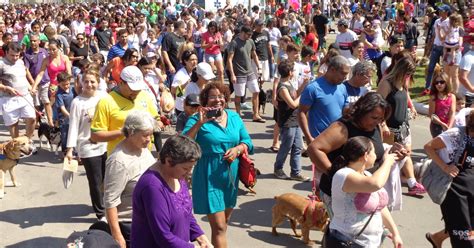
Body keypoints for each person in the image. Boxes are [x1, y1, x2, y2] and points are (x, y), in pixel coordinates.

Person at [183, 83, 253, 247]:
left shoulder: (234, 117)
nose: (217, 100)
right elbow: (183, 142)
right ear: (206, 99)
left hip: (230, 177)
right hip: (208, 176)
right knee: (220, 226)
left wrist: (238, 149)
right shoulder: (196, 119)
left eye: (221, 96)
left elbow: (247, 142)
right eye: (213, 96)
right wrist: (199, 124)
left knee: (223, 224)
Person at [131, 135, 212, 247]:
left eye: (192, 167)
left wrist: (202, 238)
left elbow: (185, 212)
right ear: (169, 161)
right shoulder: (152, 187)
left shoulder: (177, 175)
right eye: (186, 168)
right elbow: (163, 237)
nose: (189, 172)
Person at [328, 136, 403, 248]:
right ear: (366, 155)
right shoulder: (343, 175)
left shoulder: (367, 175)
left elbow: (380, 207)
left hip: (370, 242)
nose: (376, 156)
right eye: (374, 152)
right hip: (347, 241)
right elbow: (376, 184)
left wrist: (395, 233)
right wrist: (387, 162)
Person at [97, 110, 157, 248]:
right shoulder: (119, 161)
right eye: (145, 135)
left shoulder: (143, 149)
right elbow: (110, 200)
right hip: (129, 225)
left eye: (150, 135)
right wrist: (117, 235)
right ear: (130, 133)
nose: (149, 139)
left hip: (147, 221)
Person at [377, 57, 427, 195]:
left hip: (403, 127)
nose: (408, 76)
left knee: (406, 154)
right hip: (390, 128)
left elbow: (406, 97)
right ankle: (390, 185)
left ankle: (411, 183)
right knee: (392, 158)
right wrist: (383, 124)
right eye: (407, 73)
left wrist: (411, 108)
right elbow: (377, 105)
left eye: (410, 74)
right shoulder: (386, 83)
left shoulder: (403, 83)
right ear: (400, 69)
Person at [424, 111, 474, 248]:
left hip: (471, 185)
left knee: (469, 227)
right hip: (453, 187)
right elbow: (428, 147)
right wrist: (445, 167)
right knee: (464, 232)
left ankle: (436, 238)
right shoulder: (456, 134)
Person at [90, 65, 162, 155]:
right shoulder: (106, 102)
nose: (136, 92)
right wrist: (123, 132)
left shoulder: (144, 96)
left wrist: (156, 125)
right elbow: (95, 136)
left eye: (138, 89)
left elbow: (157, 120)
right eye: (133, 89)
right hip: (119, 158)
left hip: (144, 156)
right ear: (121, 83)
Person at [66, 69, 107, 221]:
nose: (89, 85)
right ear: (81, 83)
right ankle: (101, 213)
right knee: (95, 181)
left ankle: (107, 204)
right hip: (88, 147)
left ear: (98, 82)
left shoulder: (104, 97)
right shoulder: (77, 102)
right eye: (86, 81)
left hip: (106, 144)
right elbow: (74, 126)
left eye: (92, 81)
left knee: (108, 179)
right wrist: (70, 149)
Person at [298, 55, 350, 143]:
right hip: (319, 142)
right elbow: (301, 113)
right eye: (343, 73)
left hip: (338, 139)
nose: (345, 77)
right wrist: (308, 137)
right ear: (332, 69)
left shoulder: (342, 87)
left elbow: (345, 111)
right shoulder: (313, 88)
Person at [273, 59, 310, 181]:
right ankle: (278, 168)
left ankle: (296, 172)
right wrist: (303, 97)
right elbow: (293, 104)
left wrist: (303, 85)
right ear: (289, 72)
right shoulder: (282, 88)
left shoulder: (290, 84)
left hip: (295, 121)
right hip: (287, 122)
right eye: (293, 70)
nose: (294, 72)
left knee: (298, 147)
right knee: (286, 146)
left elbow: (295, 95)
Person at [227, 25, 264, 122]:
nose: (250, 36)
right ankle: (238, 115)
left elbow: (254, 55)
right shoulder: (234, 43)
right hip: (239, 73)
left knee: (256, 91)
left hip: (250, 71)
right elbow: (229, 59)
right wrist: (232, 74)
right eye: (248, 34)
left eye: (251, 34)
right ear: (242, 32)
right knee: (239, 95)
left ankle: (256, 114)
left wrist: (259, 67)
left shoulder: (250, 41)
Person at [0, 42, 36, 141]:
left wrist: (31, 87)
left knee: (32, 118)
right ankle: (17, 145)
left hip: (25, 96)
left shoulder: (20, 62)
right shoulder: (1, 64)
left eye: (17, 55)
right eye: (12, 55)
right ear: (6, 52)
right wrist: (6, 88)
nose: (15, 58)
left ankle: (27, 141)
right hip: (8, 99)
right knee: (13, 123)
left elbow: (23, 77)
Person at [32, 39, 72, 127]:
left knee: (65, 104)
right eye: (49, 49)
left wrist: (65, 84)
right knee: (50, 103)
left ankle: (65, 122)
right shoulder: (47, 60)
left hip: (64, 84)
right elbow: (40, 74)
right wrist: (34, 86)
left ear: (59, 48)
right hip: (53, 85)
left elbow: (69, 73)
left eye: (54, 49)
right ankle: (51, 123)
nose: (51, 51)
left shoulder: (64, 58)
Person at [428, 72, 456, 137]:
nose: (439, 84)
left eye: (442, 82)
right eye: (436, 83)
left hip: (448, 125)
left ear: (446, 83)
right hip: (436, 126)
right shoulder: (433, 97)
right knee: (439, 146)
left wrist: (450, 126)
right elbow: (431, 115)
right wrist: (442, 124)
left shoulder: (452, 97)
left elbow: (452, 113)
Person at [171, 49, 198, 116]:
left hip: (194, 106)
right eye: (192, 60)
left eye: (196, 59)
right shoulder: (180, 75)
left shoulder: (196, 71)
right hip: (182, 108)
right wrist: (186, 83)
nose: (195, 62)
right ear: (185, 61)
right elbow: (174, 91)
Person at [53, 72, 75, 154]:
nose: (66, 86)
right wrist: (70, 116)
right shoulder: (59, 94)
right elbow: (62, 108)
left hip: (73, 116)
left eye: (68, 84)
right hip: (64, 119)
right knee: (65, 136)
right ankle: (64, 151)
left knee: (73, 134)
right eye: (63, 85)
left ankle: (74, 151)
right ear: (58, 83)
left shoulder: (73, 89)